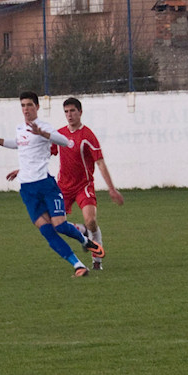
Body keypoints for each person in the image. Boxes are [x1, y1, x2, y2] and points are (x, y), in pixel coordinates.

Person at [0, 91, 104, 278]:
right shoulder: (20, 128)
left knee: (60, 225)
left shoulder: (45, 127)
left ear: (37, 107)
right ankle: (78, 265)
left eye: (29, 105)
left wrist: (42, 133)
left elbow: (66, 142)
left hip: (46, 186)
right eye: (23, 105)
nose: (26, 109)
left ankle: (85, 241)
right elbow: (18, 144)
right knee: (47, 231)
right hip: (27, 189)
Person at [50, 97, 124, 270]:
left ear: (80, 112)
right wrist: (23, 170)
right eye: (66, 112)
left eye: (72, 111)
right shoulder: (59, 135)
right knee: (55, 224)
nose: (69, 115)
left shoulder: (87, 135)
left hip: (83, 186)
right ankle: (82, 231)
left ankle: (97, 261)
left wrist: (112, 189)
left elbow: (100, 163)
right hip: (63, 187)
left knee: (91, 221)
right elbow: (43, 153)